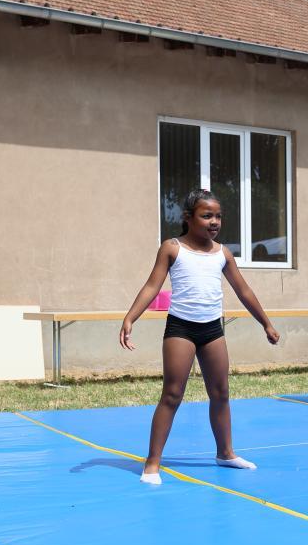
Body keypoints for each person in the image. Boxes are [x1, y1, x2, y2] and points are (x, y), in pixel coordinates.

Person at [120, 190, 280, 485]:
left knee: (221, 393)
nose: (214, 221)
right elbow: (152, 286)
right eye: (207, 216)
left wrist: (266, 323)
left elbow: (244, 290)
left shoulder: (223, 253)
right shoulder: (172, 248)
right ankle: (152, 463)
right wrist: (130, 317)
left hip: (212, 329)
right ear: (188, 218)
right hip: (181, 328)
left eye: (218, 216)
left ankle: (225, 453)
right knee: (172, 394)